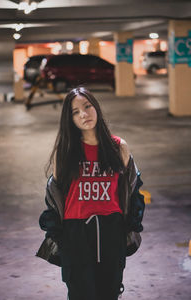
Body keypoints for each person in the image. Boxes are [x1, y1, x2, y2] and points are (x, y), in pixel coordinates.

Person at [38, 86, 145, 300]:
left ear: (96, 107)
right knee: (80, 293)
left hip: (111, 230)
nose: (84, 114)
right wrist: (61, 235)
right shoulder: (65, 151)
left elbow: (131, 188)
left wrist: (129, 224)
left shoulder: (118, 147)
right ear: (70, 120)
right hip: (76, 232)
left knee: (109, 291)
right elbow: (55, 194)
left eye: (87, 106)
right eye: (75, 112)